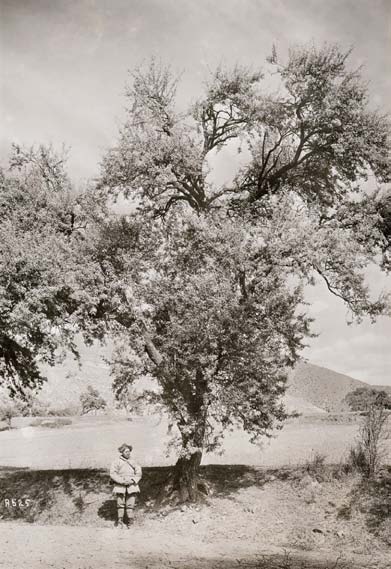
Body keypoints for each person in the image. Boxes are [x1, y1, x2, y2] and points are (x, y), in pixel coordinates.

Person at [110, 443, 142, 528]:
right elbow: (113, 474)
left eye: (129, 451)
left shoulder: (134, 461)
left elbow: (139, 473)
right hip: (120, 486)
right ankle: (120, 522)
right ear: (122, 452)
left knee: (130, 504)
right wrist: (121, 481)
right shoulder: (116, 462)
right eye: (126, 451)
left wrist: (132, 480)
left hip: (132, 486)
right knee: (120, 504)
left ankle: (130, 522)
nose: (128, 453)